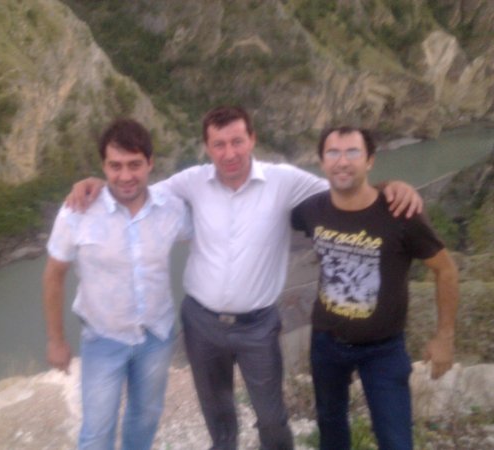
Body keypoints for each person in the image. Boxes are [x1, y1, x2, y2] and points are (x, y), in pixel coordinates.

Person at [66, 106, 423, 450]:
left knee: (270, 416)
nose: (229, 152)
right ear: (207, 147)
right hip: (201, 323)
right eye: (219, 144)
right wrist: (97, 183)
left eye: (237, 141)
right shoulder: (191, 182)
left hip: (257, 326)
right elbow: (137, 189)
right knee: (217, 411)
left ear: (252, 139)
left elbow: (345, 189)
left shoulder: (283, 181)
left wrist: (390, 186)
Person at [290, 126, 458, 450]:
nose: (342, 161)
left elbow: (446, 270)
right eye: (333, 153)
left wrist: (444, 337)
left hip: (383, 350)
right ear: (322, 162)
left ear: (370, 160)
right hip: (327, 342)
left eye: (353, 152)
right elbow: (264, 215)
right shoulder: (311, 210)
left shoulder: (400, 213)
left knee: (395, 439)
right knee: (330, 427)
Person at [42, 118, 192, 450]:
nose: (125, 176)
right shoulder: (77, 212)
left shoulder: (171, 208)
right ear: (103, 166)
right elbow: (53, 276)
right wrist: (56, 341)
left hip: (157, 335)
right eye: (115, 166)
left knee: (146, 416)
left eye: (134, 164)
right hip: (103, 339)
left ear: (150, 163)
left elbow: (210, 227)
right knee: (97, 432)